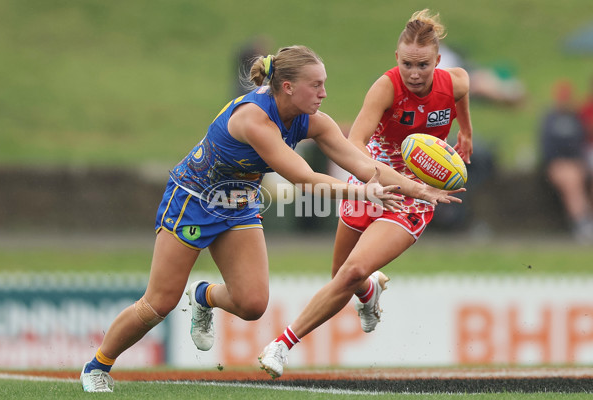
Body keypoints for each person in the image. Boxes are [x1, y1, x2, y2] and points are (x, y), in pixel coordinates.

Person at [79, 45, 465, 392]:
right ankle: (98, 366)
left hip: (238, 203)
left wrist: (417, 189)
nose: (324, 93)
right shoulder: (254, 120)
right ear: (287, 88)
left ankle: (203, 296)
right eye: (316, 85)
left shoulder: (314, 120)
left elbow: (363, 164)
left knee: (252, 304)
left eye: (324, 84)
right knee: (158, 303)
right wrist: (364, 192)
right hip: (192, 200)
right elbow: (304, 179)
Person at [258, 10, 473, 378]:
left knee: (351, 270)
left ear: (437, 62)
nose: (415, 73)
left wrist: (465, 132)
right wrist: (371, 181)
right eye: (407, 64)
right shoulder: (386, 87)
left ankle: (281, 345)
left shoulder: (455, 83)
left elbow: (462, 97)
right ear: (397, 59)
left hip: (417, 195)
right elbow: (354, 142)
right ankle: (370, 290)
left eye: (423, 65)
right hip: (372, 183)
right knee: (344, 275)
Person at [541, 79, 593, 242]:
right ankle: (581, 222)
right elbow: (546, 147)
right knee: (571, 180)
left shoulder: (576, 119)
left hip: (577, 162)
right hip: (558, 163)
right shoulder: (550, 120)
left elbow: (581, 143)